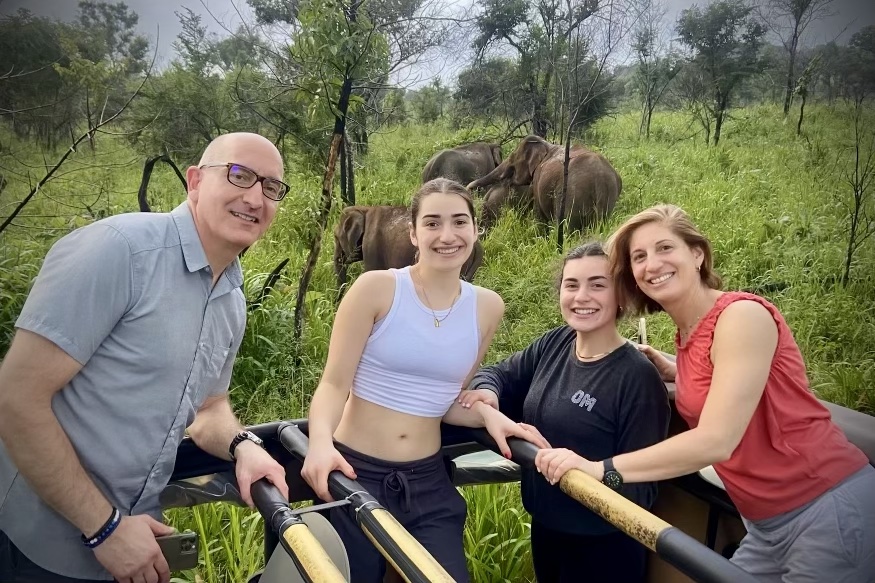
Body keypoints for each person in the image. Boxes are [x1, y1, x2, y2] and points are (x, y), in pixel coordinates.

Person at [0, 133, 290, 583]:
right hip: (37, 547)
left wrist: (242, 446)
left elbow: (209, 408)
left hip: (137, 549)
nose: (255, 197)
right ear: (194, 181)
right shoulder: (119, 250)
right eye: (239, 175)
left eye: (271, 187)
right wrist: (104, 529)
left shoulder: (231, 299)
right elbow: (16, 397)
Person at [546, 203, 875, 581]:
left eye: (665, 248)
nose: (652, 264)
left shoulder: (741, 317)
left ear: (697, 254)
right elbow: (719, 380)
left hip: (826, 508)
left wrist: (600, 470)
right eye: (639, 257)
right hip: (765, 525)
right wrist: (675, 370)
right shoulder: (688, 335)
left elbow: (717, 440)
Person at [300, 178, 549, 583]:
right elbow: (333, 385)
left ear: (475, 230)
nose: (447, 235)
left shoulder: (486, 306)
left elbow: (445, 401)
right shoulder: (377, 289)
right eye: (432, 223)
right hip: (354, 473)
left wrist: (488, 415)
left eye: (459, 222)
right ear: (412, 232)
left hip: (429, 482)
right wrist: (321, 446)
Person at [459, 241, 670, 583]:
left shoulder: (637, 378)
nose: (581, 296)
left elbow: (643, 489)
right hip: (546, 531)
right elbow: (497, 373)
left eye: (597, 285)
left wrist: (593, 474)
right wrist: (486, 400)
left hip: (604, 550)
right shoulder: (556, 343)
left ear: (621, 295)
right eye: (571, 285)